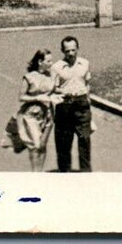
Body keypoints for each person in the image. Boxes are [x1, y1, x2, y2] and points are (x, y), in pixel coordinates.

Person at [7, 49, 55, 172]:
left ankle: (39, 171)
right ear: (40, 62)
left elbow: (54, 91)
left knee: (43, 145)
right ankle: (35, 173)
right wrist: (37, 98)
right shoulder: (29, 77)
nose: (51, 63)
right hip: (31, 115)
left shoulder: (51, 75)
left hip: (48, 114)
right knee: (35, 145)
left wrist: (60, 95)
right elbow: (21, 97)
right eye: (48, 61)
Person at [51, 36, 93, 172]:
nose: (70, 53)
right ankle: (65, 174)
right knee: (64, 143)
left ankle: (86, 173)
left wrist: (88, 100)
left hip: (82, 105)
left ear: (77, 49)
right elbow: (52, 88)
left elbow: (87, 83)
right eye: (67, 51)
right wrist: (64, 91)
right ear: (62, 50)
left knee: (85, 140)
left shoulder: (85, 64)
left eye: (73, 50)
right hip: (65, 106)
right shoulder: (56, 67)